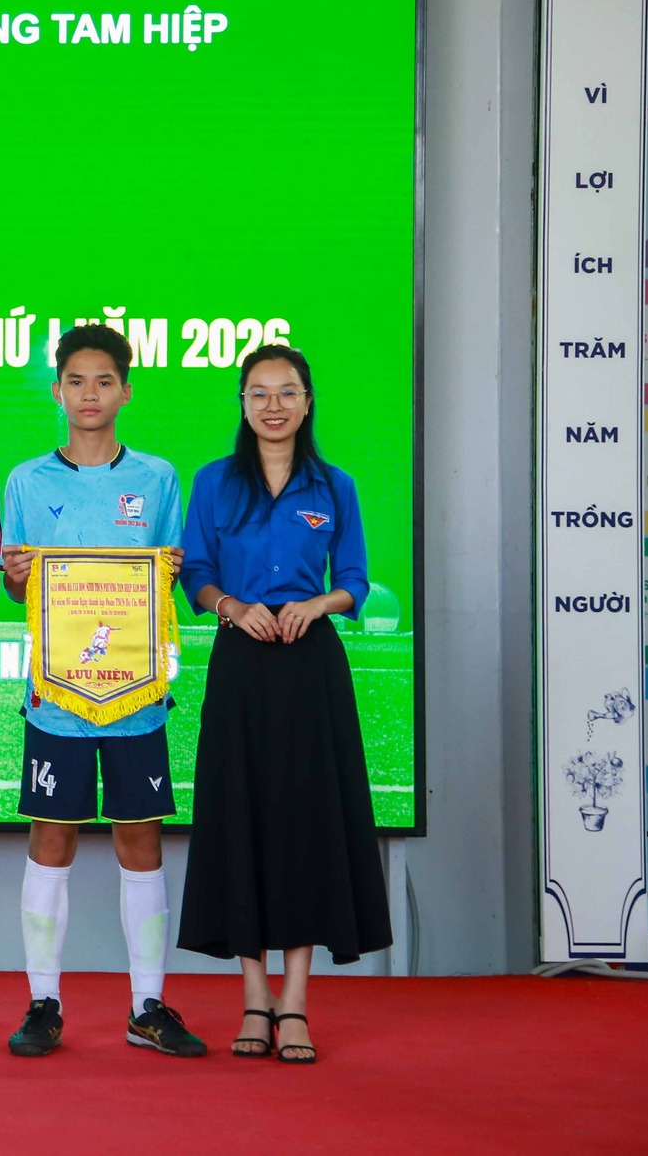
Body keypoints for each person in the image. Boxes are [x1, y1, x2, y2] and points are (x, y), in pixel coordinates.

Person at [177, 344, 390, 1065]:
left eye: (287, 391)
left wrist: (318, 603)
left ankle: (295, 1000)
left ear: (307, 401)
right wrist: (232, 606)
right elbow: (197, 572)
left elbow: (354, 579)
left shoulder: (335, 486)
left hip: (310, 665)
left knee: (305, 824)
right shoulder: (213, 483)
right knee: (241, 816)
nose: (273, 405)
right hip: (240, 662)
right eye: (259, 393)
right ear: (242, 404)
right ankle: (254, 997)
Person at [0, 325, 206, 1060]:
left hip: (135, 693)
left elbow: (168, 576)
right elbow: (13, 585)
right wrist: (15, 578)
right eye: (76, 381)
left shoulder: (157, 478)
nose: (90, 394)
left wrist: (167, 571)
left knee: (139, 838)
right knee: (51, 837)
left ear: (125, 390)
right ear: (57, 391)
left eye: (104, 380)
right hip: (56, 696)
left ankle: (147, 1005)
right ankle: (43, 1002)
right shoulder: (26, 481)